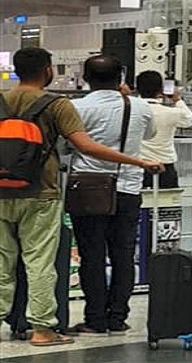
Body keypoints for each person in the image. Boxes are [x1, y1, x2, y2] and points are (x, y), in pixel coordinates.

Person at [0, 48, 162, 346]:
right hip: (45, 191)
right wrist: (138, 162)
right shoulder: (58, 104)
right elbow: (85, 145)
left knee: (6, 261)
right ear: (48, 71)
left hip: (14, 191)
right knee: (44, 261)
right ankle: (45, 328)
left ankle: (92, 318)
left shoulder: (4, 99)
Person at [68, 56, 159, 335]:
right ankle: (118, 317)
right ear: (121, 77)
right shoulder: (140, 107)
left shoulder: (77, 107)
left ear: (86, 77)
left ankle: (95, 318)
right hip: (129, 188)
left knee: (92, 255)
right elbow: (150, 134)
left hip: (89, 189)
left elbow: (66, 142)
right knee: (123, 256)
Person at [136, 71, 192, 189]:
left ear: (137, 89)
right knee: (168, 203)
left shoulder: (132, 110)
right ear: (161, 90)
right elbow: (190, 120)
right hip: (165, 164)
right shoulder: (171, 113)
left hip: (138, 164)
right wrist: (177, 100)